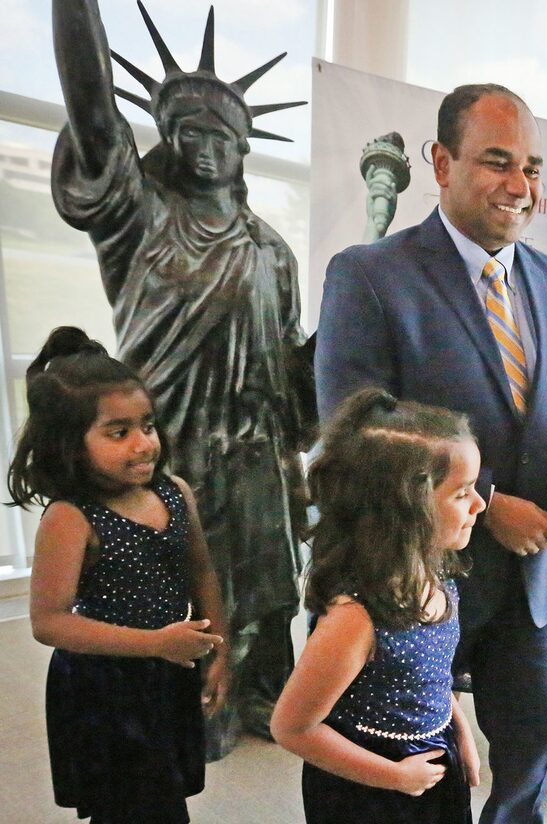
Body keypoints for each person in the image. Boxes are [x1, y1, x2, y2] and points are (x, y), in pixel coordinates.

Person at [315, 83, 547, 823]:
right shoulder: (369, 275)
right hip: (409, 584)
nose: (521, 187)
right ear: (441, 163)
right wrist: (488, 508)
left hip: (533, 584)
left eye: (533, 168)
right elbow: (354, 438)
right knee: (410, 765)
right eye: (497, 162)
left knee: (535, 734)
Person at [51, 1, 315, 757]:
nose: (204, 148)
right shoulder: (138, 219)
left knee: (266, 585)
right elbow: (93, 110)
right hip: (167, 440)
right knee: (176, 588)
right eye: (188, 132)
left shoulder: (270, 250)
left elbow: (291, 358)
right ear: (166, 138)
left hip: (256, 443)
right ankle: (195, 708)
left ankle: (261, 693)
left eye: (221, 137)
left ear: (242, 151)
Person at [7, 326, 230, 824]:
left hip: (171, 668)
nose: (143, 444)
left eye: (147, 426)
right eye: (118, 432)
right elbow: (49, 622)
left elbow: (202, 571)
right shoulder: (70, 517)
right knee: (131, 806)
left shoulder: (174, 491)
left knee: (166, 794)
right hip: (104, 686)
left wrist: (220, 648)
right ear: (71, 443)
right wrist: (155, 644)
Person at [271, 387, 483, 823]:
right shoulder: (355, 619)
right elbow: (292, 728)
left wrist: (460, 734)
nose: (480, 504)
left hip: (429, 758)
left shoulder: (439, 576)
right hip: (368, 787)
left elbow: (436, 677)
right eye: (462, 493)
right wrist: (394, 776)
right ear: (407, 507)